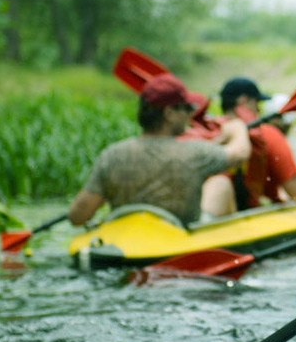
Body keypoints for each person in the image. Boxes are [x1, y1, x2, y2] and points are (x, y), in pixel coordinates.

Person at [67, 74, 251, 228]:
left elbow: (77, 217)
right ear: (169, 113)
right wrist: (237, 126)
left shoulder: (111, 156)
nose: (190, 114)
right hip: (178, 247)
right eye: (187, 108)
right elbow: (241, 153)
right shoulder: (196, 153)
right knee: (221, 184)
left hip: (126, 246)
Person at [220, 77, 296, 209]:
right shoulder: (267, 134)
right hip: (249, 218)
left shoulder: (210, 132)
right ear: (244, 101)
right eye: (257, 103)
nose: (259, 110)